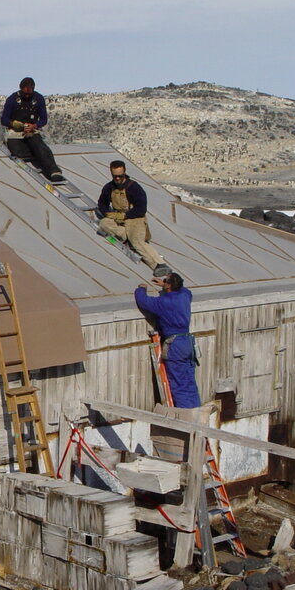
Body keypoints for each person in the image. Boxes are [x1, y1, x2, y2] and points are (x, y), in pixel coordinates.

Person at [135, 272, 201, 409]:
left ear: (169, 285)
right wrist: (166, 285)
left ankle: (186, 415)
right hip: (188, 342)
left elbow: (143, 301)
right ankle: (196, 411)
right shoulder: (185, 296)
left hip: (174, 344)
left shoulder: (163, 302)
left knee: (178, 383)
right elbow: (185, 290)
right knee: (189, 380)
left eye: (166, 281)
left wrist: (141, 289)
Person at [97, 160, 170, 276]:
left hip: (135, 218)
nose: (117, 179)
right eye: (115, 176)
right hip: (118, 217)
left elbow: (141, 208)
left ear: (124, 173)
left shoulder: (135, 188)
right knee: (104, 224)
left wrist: (126, 215)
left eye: (120, 176)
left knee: (137, 241)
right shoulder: (109, 188)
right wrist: (108, 213)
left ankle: (158, 264)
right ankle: (126, 237)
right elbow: (102, 203)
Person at [0, 77, 65, 182]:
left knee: (40, 146)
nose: (27, 96)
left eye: (29, 94)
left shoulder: (38, 99)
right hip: (15, 131)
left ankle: (54, 171)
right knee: (17, 152)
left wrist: (34, 126)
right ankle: (34, 151)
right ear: (21, 89)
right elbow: (4, 119)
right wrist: (13, 124)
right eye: (24, 93)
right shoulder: (12, 99)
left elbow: (43, 119)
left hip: (31, 130)